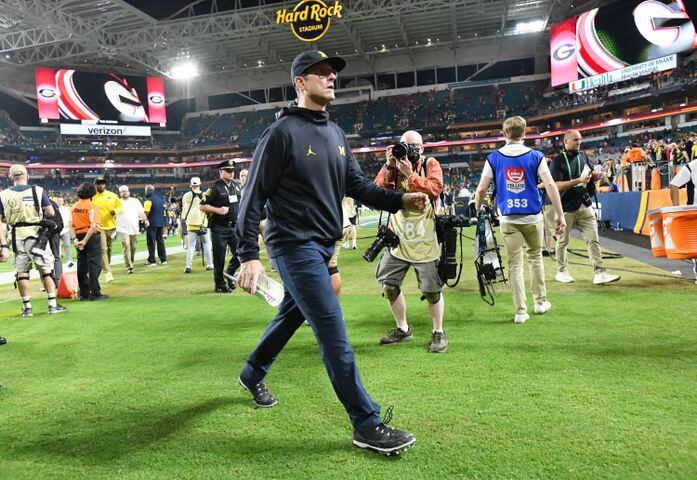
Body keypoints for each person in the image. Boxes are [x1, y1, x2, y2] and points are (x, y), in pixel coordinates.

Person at [235, 50, 428, 455]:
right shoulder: (281, 133)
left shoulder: (336, 134)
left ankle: (252, 373)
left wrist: (402, 200)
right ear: (300, 83)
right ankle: (366, 422)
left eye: (333, 72)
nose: (331, 77)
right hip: (293, 243)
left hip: (323, 244)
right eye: (320, 72)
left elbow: (358, 186)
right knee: (331, 328)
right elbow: (252, 198)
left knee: (292, 313)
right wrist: (248, 254)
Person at [474, 117, 566, 324]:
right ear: (524, 133)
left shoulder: (494, 158)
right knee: (536, 258)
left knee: (515, 264)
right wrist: (560, 214)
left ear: (505, 133)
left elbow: (481, 189)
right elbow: (550, 185)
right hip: (533, 216)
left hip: (508, 218)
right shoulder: (536, 156)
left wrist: (478, 208)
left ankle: (520, 311)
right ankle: (540, 302)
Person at [372, 130, 448, 352]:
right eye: (405, 145)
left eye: (414, 145)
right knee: (389, 285)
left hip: (425, 240)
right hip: (398, 238)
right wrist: (389, 167)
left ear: (422, 148)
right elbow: (377, 195)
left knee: (432, 291)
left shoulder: (430, 164)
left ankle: (438, 332)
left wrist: (410, 175)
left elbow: (434, 190)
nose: (409, 150)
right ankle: (403, 328)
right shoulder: (392, 168)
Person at [551, 130, 620, 285]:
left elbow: (587, 176)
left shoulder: (582, 156)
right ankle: (561, 271)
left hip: (584, 203)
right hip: (566, 207)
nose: (579, 142)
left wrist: (596, 176)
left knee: (593, 239)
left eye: (580, 139)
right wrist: (578, 180)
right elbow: (556, 185)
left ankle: (599, 272)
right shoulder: (558, 161)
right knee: (562, 241)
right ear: (566, 141)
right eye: (575, 139)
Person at [0, 164, 67, 316]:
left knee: (22, 272)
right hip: (37, 237)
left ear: (11, 177)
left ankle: (27, 308)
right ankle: (52, 304)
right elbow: (50, 212)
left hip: (17, 236)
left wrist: (3, 244)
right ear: (27, 175)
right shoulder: (38, 190)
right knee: (46, 271)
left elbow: (1, 221)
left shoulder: (3, 194)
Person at [200, 160, 242, 292]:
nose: (231, 173)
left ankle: (229, 274)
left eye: (232, 171)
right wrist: (218, 210)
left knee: (240, 254)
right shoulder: (214, 188)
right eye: (228, 171)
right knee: (219, 258)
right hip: (219, 227)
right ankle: (220, 285)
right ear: (221, 172)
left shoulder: (236, 186)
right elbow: (202, 205)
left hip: (234, 227)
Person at [71, 182, 107, 301]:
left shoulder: (74, 206)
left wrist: (76, 240)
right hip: (91, 236)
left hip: (78, 234)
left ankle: (84, 293)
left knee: (81, 264)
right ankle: (95, 293)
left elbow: (70, 225)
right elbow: (93, 225)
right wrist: (85, 241)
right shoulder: (92, 206)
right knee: (94, 264)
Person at [92, 177, 122, 282]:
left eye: (102, 183)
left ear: (105, 185)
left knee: (109, 249)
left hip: (111, 226)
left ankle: (106, 266)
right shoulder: (92, 197)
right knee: (103, 249)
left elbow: (120, 206)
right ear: (95, 185)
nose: (100, 185)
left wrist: (115, 211)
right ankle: (108, 273)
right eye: (98, 184)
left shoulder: (112, 196)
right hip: (99, 227)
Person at [181, 176, 213, 273]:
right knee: (207, 244)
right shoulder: (205, 195)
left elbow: (184, 209)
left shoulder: (186, 195)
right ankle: (210, 264)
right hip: (203, 223)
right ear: (200, 184)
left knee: (191, 246)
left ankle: (188, 266)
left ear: (191, 185)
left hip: (191, 223)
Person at [116, 185, 148, 274]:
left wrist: (146, 220)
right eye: (122, 191)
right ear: (120, 193)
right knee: (126, 246)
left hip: (134, 228)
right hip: (122, 229)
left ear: (129, 192)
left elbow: (141, 212)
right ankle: (129, 266)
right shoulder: (117, 202)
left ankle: (131, 262)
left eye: (126, 191)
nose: (124, 192)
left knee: (133, 248)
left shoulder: (135, 201)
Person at [143, 185, 167, 266]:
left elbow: (146, 212)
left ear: (147, 191)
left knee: (151, 242)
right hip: (160, 223)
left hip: (152, 223)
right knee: (160, 241)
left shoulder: (148, 201)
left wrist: (144, 220)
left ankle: (152, 260)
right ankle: (163, 259)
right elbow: (163, 213)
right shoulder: (160, 200)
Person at [55, 196, 74, 268]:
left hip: (65, 230)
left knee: (67, 245)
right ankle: (57, 262)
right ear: (56, 201)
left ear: (63, 202)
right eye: (58, 201)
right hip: (56, 231)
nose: (59, 202)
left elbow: (68, 219)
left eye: (60, 201)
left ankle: (69, 261)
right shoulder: (54, 209)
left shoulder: (66, 209)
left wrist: (64, 226)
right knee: (56, 246)